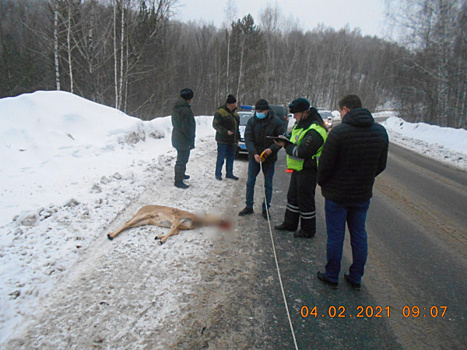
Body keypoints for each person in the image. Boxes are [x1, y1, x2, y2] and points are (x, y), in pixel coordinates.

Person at [316, 94, 389, 290]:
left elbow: (324, 166)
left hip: (337, 196)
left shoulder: (339, 133)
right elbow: (381, 165)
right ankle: (356, 276)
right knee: (359, 235)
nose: (340, 114)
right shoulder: (380, 132)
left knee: (336, 236)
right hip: (362, 194)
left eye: (340, 110)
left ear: (346, 109)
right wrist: (366, 178)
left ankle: (332, 275)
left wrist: (323, 183)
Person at [273, 98, 328, 238]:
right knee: (293, 197)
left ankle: (308, 230)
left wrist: (286, 145)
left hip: (309, 170)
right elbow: (293, 139)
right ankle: (290, 223)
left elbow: (302, 152)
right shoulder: (301, 125)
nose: (294, 117)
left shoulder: (315, 130)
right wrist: (284, 139)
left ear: (304, 113)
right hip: (298, 169)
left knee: (305, 200)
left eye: (296, 114)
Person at [238, 99, 285, 219]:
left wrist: (271, 149)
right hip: (255, 157)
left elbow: (281, 139)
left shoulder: (276, 122)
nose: (259, 112)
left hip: (269, 158)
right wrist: (253, 153)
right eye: (257, 110)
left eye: (261, 110)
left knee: (268, 184)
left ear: (267, 110)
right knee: (250, 182)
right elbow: (248, 138)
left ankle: (266, 208)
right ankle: (249, 206)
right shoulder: (252, 121)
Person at [171, 88, 196, 189]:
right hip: (183, 138)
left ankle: (181, 174)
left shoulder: (178, 107)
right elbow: (186, 127)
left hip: (178, 136)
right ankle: (178, 180)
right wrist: (191, 136)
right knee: (182, 159)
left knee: (183, 158)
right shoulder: (184, 110)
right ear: (188, 99)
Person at [212, 94, 240, 181]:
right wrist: (225, 131)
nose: (235, 105)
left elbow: (237, 127)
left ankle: (229, 173)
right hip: (222, 140)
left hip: (232, 140)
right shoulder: (220, 112)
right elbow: (215, 124)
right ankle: (218, 174)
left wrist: (237, 137)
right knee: (221, 157)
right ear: (230, 104)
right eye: (234, 103)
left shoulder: (235, 114)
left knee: (231, 157)